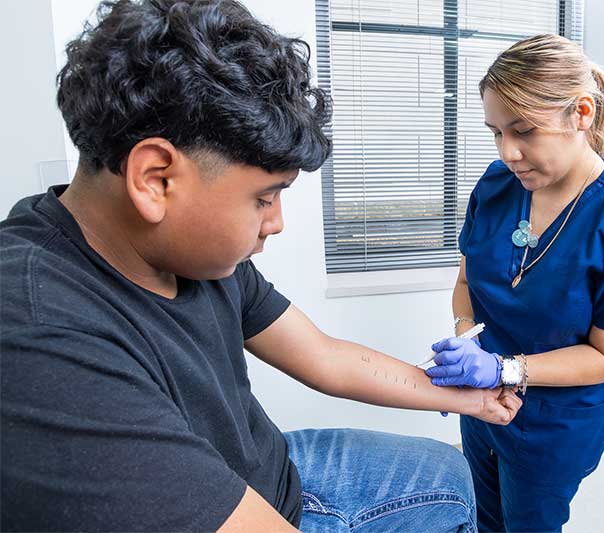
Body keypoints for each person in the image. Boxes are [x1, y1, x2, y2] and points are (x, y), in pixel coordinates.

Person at [0, 1, 523, 531]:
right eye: (264, 198)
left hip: (268, 469)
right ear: (155, 179)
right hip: (228, 504)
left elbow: (324, 357)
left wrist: (468, 400)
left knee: (448, 474)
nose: (275, 223)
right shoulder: (40, 336)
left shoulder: (191, 254)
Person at [424, 34, 604, 532]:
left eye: (523, 131)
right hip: (481, 403)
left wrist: (503, 369)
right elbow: (466, 282)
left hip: (554, 427)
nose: (509, 151)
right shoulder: (497, 186)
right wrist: (464, 338)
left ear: (581, 113)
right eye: (495, 132)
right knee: (483, 518)